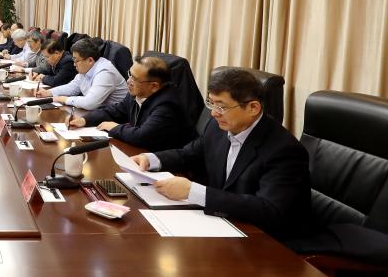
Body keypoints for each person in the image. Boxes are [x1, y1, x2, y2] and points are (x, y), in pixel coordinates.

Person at [129, 68, 311, 239]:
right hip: (224, 223)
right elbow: (189, 154)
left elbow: (269, 210)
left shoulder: (284, 150)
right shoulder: (218, 128)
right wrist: (151, 159)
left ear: (253, 108)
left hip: (266, 239)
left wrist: (193, 192)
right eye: (211, 103)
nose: (214, 114)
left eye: (222, 107)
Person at [69, 55, 194, 151]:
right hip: (143, 153)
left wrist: (114, 127)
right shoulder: (138, 93)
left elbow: (142, 136)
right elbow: (115, 111)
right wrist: (84, 119)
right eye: (130, 74)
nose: (128, 81)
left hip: (171, 167)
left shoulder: (167, 105)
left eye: (134, 78)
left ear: (154, 86)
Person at [37, 37, 126, 109]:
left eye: (76, 61)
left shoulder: (105, 72)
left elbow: (90, 103)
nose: (74, 64)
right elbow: (72, 87)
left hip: (116, 118)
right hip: (101, 112)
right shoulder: (86, 69)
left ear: (90, 60)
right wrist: (48, 92)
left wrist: (64, 99)